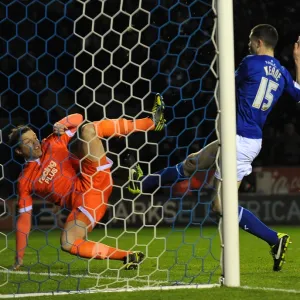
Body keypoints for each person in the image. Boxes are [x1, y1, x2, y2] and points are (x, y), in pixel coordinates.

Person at [126, 25, 300, 271]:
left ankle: (275, 239)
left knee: (220, 206)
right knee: (192, 163)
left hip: (240, 140)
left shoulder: (250, 63)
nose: (248, 44)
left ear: (259, 42)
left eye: (251, 40)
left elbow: (226, 86)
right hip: (242, 137)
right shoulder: (282, 73)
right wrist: (297, 61)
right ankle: (140, 185)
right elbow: (299, 94)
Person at [10, 94, 165, 271]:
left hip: (92, 178)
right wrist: (19, 258)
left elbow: (78, 118)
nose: (35, 143)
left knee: (87, 131)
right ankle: (127, 255)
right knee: (68, 242)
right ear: (19, 152)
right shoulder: (25, 181)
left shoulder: (51, 143)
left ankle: (149, 123)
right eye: (28, 142)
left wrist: (63, 123)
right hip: (86, 204)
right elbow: (24, 220)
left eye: (34, 138)